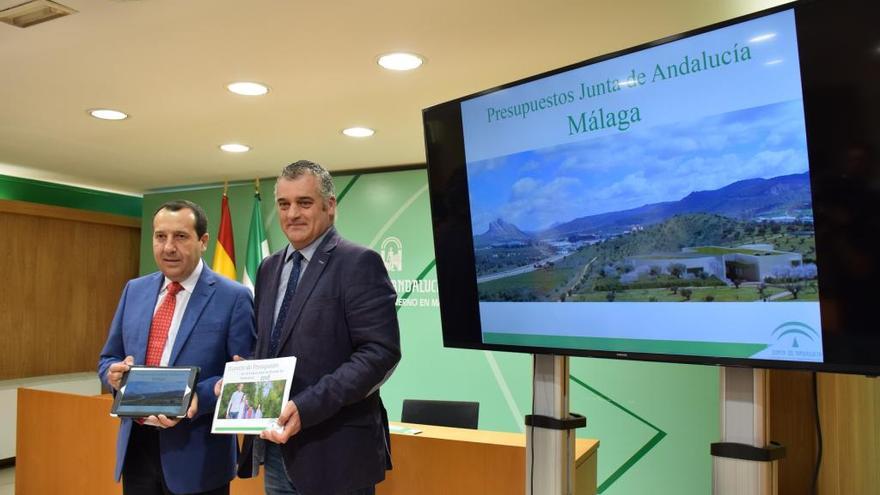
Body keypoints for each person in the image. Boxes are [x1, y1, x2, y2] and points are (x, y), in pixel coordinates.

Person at [239, 160, 401, 495]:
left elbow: (380, 353)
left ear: (330, 206)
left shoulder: (359, 263)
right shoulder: (269, 268)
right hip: (276, 447)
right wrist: (242, 379)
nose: (292, 214)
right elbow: (271, 346)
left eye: (304, 202)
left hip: (336, 453)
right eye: (284, 204)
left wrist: (307, 406)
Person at [98, 200, 255, 495]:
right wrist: (113, 373)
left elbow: (245, 372)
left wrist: (198, 396)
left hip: (198, 454)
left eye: (180, 237)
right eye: (160, 236)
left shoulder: (233, 297)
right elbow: (108, 357)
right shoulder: (135, 289)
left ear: (203, 241)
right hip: (138, 449)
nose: (168, 247)